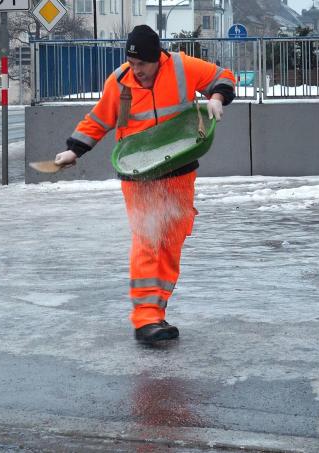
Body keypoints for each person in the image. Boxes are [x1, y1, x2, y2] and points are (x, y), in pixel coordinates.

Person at [53, 25, 235, 344]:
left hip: (178, 170)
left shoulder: (181, 67)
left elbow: (223, 75)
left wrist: (217, 97)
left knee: (171, 237)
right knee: (149, 237)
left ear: (158, 59)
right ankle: (146, 318)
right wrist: (74, 149)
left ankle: (157, 310)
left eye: (142, 65)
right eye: (132, 63)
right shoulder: (120, 80)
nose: (136, 71)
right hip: (137, 173)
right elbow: (99, 119)